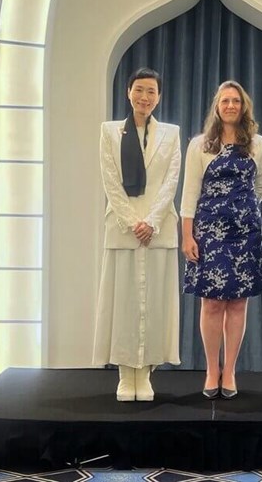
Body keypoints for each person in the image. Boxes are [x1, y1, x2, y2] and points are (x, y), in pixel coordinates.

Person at [92, 67, 181, 401]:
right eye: (139, 90)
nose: (145, 97)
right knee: (123, 302)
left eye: (152, 92)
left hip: (158, 230)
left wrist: (152, 222)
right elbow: (110, 181)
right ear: (129, 92)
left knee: (154, 302)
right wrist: (133, 222)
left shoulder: (171, 134)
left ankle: (145, 374)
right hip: (122, 228)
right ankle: (124, 375)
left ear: (159, 97)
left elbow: (171, 181)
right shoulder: (110, 132)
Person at [181, 80, 262, 400]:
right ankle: (210, 370)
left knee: (238, 302)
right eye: (225, 101)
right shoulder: (200, 145)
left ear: (244, 106)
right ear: (217, 107)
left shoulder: (257, 143)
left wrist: (241, 211)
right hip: (208, 232)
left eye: (236, 100)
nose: (230, 105)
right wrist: (187, 235)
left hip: (245, 231)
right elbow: (190, 193)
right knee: (212, 302)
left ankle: (229, 369)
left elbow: (261, 188)